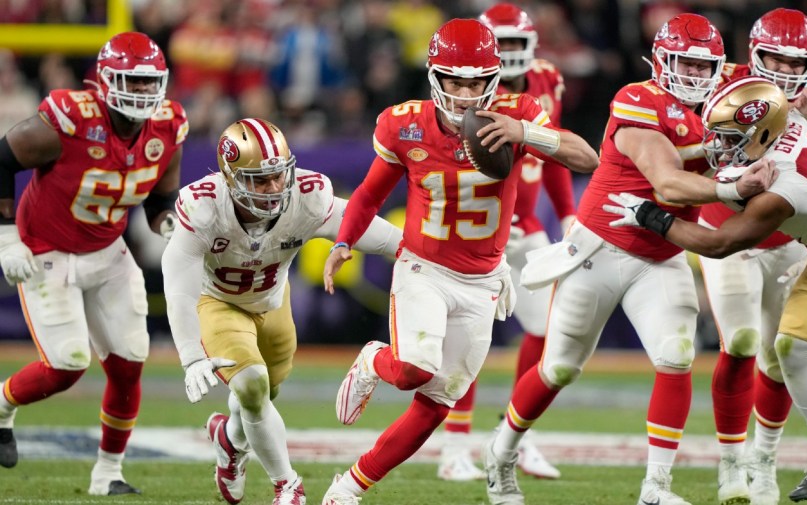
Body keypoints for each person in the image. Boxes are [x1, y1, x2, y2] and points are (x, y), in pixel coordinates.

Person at [482, 14, 778, 505]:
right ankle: (501, 453)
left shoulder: (728, 99)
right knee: (559, 368)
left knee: (676, 355)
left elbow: (773, 80)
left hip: (661, 255)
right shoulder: (637, 99)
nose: (694, 76)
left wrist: (805, 100)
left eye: (704, 67)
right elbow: (667, 182)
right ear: (661, 61)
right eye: (683, 63)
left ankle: (655, 488)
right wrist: (732, 184)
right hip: (601, 249)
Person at [319, 18, 599, 505]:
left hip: (484, 279)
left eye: (475, 81)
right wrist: (344, 242)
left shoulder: (518, 111)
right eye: (455, 80)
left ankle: (349, 487)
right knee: (411, 370)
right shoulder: (403, 123)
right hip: (424, 269)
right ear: (435, 76)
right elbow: (368, 194)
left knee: (435, 405)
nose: (466, 92)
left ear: (493, 78)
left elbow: (586, 158)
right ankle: (372, 360)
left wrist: (526, 131)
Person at [604, 75, 807, 503]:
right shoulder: (790, 124)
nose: (720, 147)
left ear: (761, 133)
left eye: (729, 137)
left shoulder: (783, 187)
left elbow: (721, 243)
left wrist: (654, 218)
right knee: (792, 348)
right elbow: (785, 110)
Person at [160, 118, 402, 505]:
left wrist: (439, 261)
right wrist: (191, 356)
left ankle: (229, 440)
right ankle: (287, 485)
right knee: (252, 387)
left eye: (278, 175)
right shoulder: (204, 207)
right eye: (259, 180)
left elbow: (379, 234)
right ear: (230, 177)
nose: (273, 188)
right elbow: (178, 287)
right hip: (220, 303)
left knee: (261, 396)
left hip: (273, 302)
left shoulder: (307, 195)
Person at [0, 32, 186, 495]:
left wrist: (167, 224)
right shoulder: (71, 119)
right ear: (105, 80)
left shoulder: (167, 126)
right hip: (47, 249)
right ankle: (1, 405)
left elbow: (161, 196)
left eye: (149, 83)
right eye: (132, 82)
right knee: (66, 365)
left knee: (130, 361)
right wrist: (6, 238)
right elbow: (0, 161)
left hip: (107, 251)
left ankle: (108, 473)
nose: (143, 93)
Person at [699, 9, 807, 505]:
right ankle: (730, 463)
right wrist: (790, 120)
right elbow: (718, 162)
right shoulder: (723, 85)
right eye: (777, 59)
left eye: (797, 62)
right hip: (727, 233)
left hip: (788, 241)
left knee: (777, 355)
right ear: (754, 53)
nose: (787, 71)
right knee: (741, 343)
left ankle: (764, 463)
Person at [435, 2, 575, 482]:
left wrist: (569, 213)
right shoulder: (462, 90)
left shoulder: (548, 81)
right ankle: (454, 445)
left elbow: (553, 154)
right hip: (474, 229)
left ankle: (517, 438)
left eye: (518, 43)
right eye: (504, 43)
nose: (512, 53)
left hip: (527, 226)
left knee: (550, 332)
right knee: (470, 336)